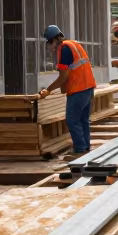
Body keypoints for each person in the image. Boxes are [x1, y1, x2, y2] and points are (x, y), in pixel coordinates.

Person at [39, 24, 96, 156]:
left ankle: (80, 149)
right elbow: (71, 72)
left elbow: (63, 77)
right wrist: (63, 88)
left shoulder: (64, 50)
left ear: (53, 40)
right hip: (88, 87)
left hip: (78, 90)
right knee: (83, 120)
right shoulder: (73, 44)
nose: (49, 48)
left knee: (72, 120)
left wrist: (48, 90)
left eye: (49, 43)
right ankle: (85, 147)